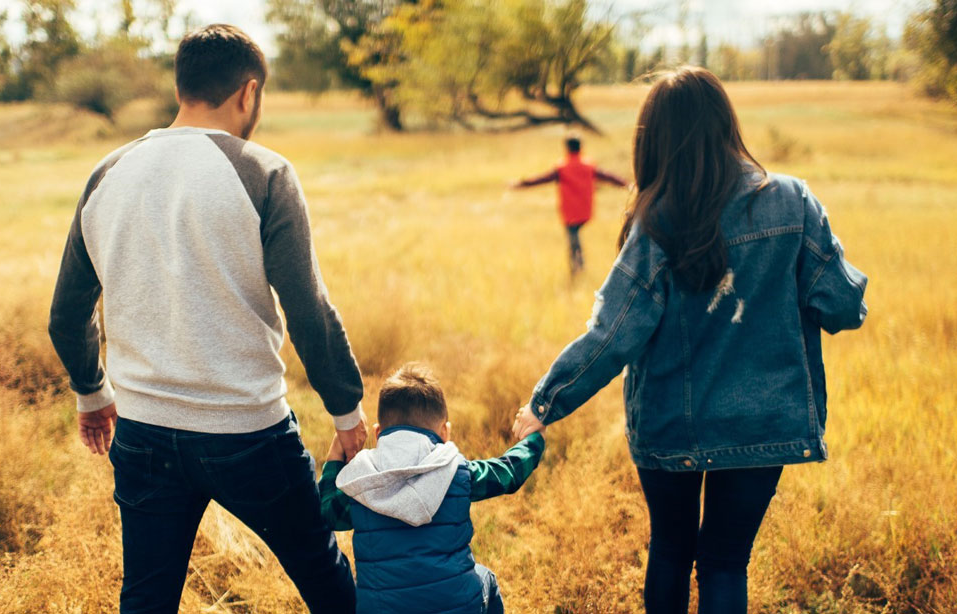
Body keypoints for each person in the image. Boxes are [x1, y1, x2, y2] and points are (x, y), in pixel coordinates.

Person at [512, 67, 867, 614]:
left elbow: (612, 336)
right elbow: (844, 307)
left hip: (671, 426)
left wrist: (544, 404)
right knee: (726, 561)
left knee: (673, 550)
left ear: (654, 140)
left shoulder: (656, 221)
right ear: (727, 123)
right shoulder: (794, 203)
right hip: (763, 422)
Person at [47, 24, 368, 614]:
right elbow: (308, 310)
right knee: (326, 579)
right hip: (249, 433)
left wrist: (93, 394)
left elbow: (67, 314)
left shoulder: (106, 173)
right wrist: (346, 409)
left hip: (142, 431)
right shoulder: (265, 172)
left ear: (182, 86)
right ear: (248, 93)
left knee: (147, 597)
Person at [319, 363, 545, 614]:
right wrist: (535, 438)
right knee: (485, 577)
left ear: (378, 432)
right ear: (445, 432)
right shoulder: (455, 470)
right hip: (459, 609)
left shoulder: (361, 480)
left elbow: (327, 512)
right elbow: (508, 474)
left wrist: (335, 456)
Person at [511, 136, 629, 276]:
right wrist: (626, 184)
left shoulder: (562, 167)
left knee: (573, 238)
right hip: (585, 210)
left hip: (570, 212)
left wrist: (522, 184)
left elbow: (542, 179)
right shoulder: (588, 165)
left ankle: (577, 267)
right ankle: (578, 266)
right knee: (574, 236)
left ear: (567, 148)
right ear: (580, 147)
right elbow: (608, 176)